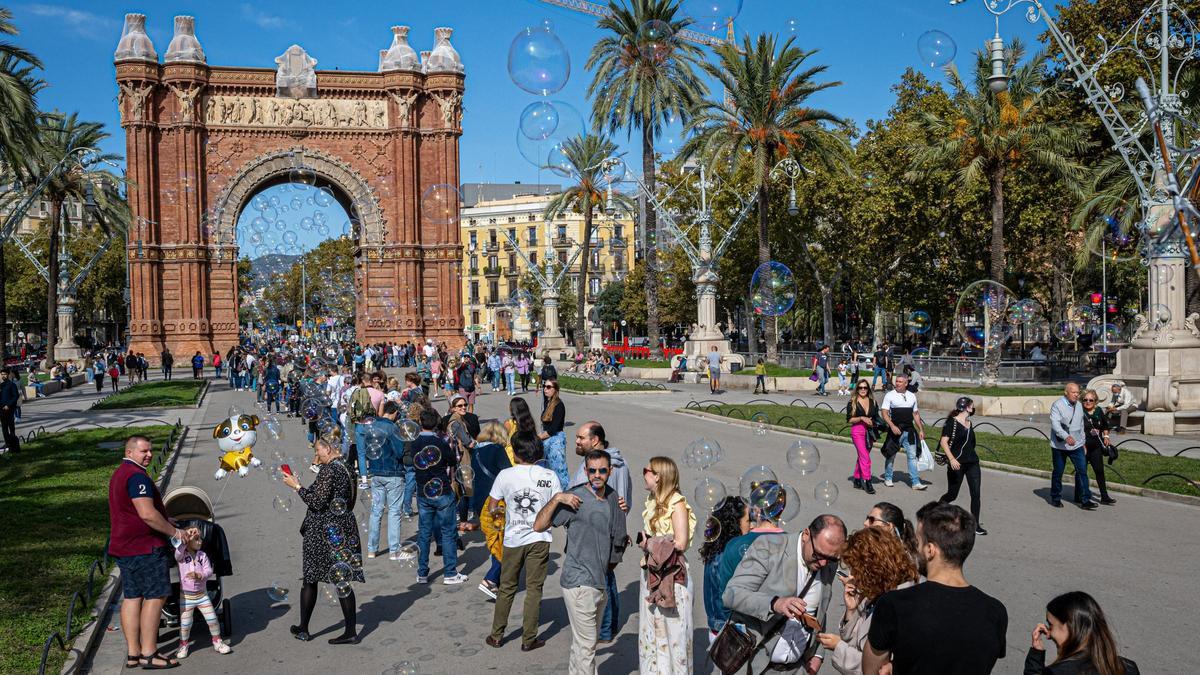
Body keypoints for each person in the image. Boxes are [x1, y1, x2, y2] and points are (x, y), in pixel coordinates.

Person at [863, 502, 1008, 675]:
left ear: (930, 550)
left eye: (918, 542)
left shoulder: (895, 604)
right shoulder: (996, 612)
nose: (916, 548)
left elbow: (871, 669)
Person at [532, 449, 628, 674]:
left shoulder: (614, 498)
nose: (597, 475)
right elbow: (538, 525)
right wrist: (557, 498)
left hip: (599, 582)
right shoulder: (574, 498)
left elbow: (617, 540)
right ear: (585, 471)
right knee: (586, 648)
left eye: (602, 470)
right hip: (577, 582)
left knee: (584, 645)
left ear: (610, 471)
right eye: (592, 470)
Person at [724, 514, 847, 674]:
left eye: (830, 559)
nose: (823, 563)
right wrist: (775, 603)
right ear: (806, 535)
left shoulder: (828, 563)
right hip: (754, 664)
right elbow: (732, 594)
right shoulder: (768, 547)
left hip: (797, 669)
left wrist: (817, 654)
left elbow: (819, 609)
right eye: (819, 555)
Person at [108, 435, 187, 669]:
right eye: (143, 451)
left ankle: (133, 653)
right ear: (130, 452)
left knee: (132, 596)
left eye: (150, 450)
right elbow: (146, 514)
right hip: (145, 546)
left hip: (125, 546)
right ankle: (149, 653)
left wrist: (164, 517)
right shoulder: (136, 477)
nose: (149, 454)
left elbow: (132, 511)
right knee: (156, 596)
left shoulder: (120, 472)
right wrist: (174, 532)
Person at [280, 438, 364, 644]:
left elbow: (317, 502)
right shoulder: (345, 466)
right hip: (342, 527)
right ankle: (350, 631)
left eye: (318, 452)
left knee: (310, 578)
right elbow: (340, 497)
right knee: (342, 578)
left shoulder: (329, 471)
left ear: (328, 448)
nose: (316, 457)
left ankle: (304, 628)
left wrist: (297, 486)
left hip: (322, 532)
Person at [486, 431, 560, 651]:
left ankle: (497, 635)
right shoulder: (549, 476)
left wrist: (502, 514)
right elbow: (556, 505)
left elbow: (492, 507)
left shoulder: (505, 475)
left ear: (516, 453)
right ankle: (529, 639)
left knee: (507, 587)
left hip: (513, 538)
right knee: (534, 588)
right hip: (540, 537)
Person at [817, 527, 918, 674]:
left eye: (857, 569)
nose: (854, 575)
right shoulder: (878, 591)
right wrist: (851, 611)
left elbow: (879, 668)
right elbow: (857, 642)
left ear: (873, 567)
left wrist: (838, 647)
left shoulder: (902, 600)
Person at [567, 421, 631, 642]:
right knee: (608, 578)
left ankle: (603, 629)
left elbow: (602, 501)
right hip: (607, 531)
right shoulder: (619, 464)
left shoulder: (601, 468)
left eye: (580, 438)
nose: (576, 441)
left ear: (594, 440)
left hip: (599, 534)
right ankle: (609, 626)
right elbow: (626, 499)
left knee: (600, 581)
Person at [637, 456, 697, 673]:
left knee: (674, 635)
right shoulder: (652, 500)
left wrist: (649, 543)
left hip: (672, 576)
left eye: (646, 469)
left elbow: (680, 541)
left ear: (658, 476)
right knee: (652, 632)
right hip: (652, 572)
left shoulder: (677, 503)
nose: (643, 473)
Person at [408, 407, 466, 583]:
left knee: (424, 533)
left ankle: (422, 573)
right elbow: (451, 460)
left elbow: (413, 461)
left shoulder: (415, 442)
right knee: (448, 531)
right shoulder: (440, 442)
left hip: (423, 490)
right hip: (441, 490)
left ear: (420, 423)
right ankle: (450, 573)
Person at [1026, 591, 1140, 675]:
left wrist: (1036, 658)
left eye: (1050, 625)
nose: (1048, 634)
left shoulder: (1057, 672)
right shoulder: (1128, 668)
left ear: (1070, 627)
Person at [173, 527, 232, 658]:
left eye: (200, 539)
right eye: (196, 539)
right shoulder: (182, 556)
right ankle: (183, 644)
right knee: (185, 623)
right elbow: (177, 554)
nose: (200, 542)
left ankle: (217, 641)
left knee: (212, 619)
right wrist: (184, 539)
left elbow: (209, 571)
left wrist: (200, 575)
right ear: (188, 542)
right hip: (186, 597)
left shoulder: (202, 556)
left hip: (202, 595)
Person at [699, 495, 750, 639]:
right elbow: (729, 599)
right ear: (735, 523)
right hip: (728, 632)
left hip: (717, 628)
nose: (751, 525)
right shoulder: (727, 557)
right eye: (748, 520)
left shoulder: (717, 549)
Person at [473, 421, 513, 599]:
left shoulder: (476, 451)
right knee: (503, 540)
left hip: (480, 502)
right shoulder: (497, 450)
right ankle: (491, 579)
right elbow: (508, 474)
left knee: (494, 539)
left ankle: (498, 580)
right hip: (496, 501)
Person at [938, 396, 987, 535]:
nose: (973, 408)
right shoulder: (951, 423)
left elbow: (971, 443)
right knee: (952, 494)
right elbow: (943, 442)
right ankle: (938, 509)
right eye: (971, 405)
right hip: (957, 464)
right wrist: (952, 459)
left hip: (972, 463)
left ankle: (975, 525)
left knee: (976, 494)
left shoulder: (969, 423)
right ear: (966, 407)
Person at [365, 401, 407, 560]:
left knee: (376, 511)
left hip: (376, 472)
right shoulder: (393, 428)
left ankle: (371, 549)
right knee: (394, 511)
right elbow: (399, 452)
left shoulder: (371, 426)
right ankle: (394, 550)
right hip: (393, 472)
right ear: (394, 412)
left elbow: (368, 450)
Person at [1049, 383, 1095, 509]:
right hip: (1059, 446)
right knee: (1058, 472)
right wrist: (1066, 436)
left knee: (1082, 472)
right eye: (1073, 392)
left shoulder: (1079, 405)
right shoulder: (1057, 405)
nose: (1076, 395)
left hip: (1077, 445)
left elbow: (1081, 426)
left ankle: (1085, 500)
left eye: (1077, 392)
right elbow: (1055, 425)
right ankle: (1055, 497)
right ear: (1066, 392)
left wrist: (1083, 442)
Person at [880, 374, 927, 490]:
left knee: (912, 456)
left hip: (909, 431)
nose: (897, 383)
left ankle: (915, 482)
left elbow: (915, 414)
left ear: (906, 383)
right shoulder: (890, 395)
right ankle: (888, 478)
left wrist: (921, 429)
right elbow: (884, 413)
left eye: (900, 382)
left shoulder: (912, 396)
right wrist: (891, 426)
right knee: (891, 455)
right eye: (897, 381)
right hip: (895, 430)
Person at [1081, 389, 1117, 506]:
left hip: (1096, 447)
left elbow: (1105, 425)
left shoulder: (1099, 411)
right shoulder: (1079, 411)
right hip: (1083, 447)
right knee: (1081, 473)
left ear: (1095, 401)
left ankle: (1104, 496)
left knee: (1099, 471)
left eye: (1091, 400)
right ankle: (1079, 496)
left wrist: (1106, 435)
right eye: (1085, 400)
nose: (1088, 402)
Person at [846, 379, 879, 494]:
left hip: (870, 432)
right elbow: (849, 419)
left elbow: (876, 417)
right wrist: (861, 418)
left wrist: (876, 423)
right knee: (865, 457)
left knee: (862, 456)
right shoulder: (852, 402)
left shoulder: (873, 401)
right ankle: (867, 481)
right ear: (857, 389)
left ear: (868, 389)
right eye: (860, 388)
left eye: (865, 387)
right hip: (857, 431)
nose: (863, 390)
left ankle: (856, 479)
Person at [539, 378, 570, 489]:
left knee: (559, 469)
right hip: (547, 439)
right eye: (544, 386)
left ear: (555, 389)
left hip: (556, 440)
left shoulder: (559, 405)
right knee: (547, 469)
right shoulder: (548, 403)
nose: (545, 389)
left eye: (548, 387)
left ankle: (565, 491)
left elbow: (554, 428)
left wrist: (538, 437)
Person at [0, 369, 21, 453]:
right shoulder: (1, 385)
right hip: (1, 410)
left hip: (9, 409)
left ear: (8, 375)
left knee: (11, 427)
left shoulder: (12, 385)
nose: (3, 376)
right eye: (2, 374)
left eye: (4, 374)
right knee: (4, 428)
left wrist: (8, 405)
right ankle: (7, 443)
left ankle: (13, 444)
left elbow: (15, 396)